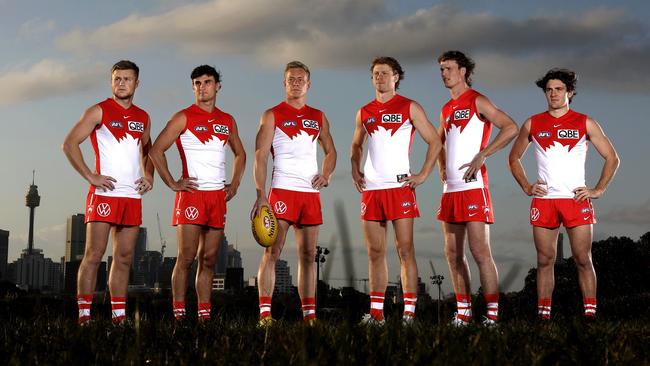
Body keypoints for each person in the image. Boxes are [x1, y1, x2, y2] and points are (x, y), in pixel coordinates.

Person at [508, 68, 619, 320]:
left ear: (569, 92)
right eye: (549, 90)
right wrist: (526, 186)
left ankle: (590, 314)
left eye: (558, 89)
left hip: (575, 199)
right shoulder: (533, 123)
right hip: (545, 200)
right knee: (545, 260)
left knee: (582, 258)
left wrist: (598, 189)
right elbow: (513, 158)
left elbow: (612, 157)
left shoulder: (585, 122)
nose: (553, 94)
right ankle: (543, 315)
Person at [149, 65, 246, 321]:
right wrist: (171, 182)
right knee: (186, 258)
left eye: (207, 82)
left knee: (210, 260)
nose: (202, 87)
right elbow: (156, 150)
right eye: (197, 83)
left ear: (217, 86)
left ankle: (205, 317)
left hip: (217, 197)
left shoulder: (227, 120)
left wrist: (234, 184)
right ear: (193, 87)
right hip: (191, 195)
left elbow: (241, 153)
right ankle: (179, 315)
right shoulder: (183, 117)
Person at [350, 56, 442, 325]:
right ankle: (376, 314)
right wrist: (355, 168)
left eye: (385, 73)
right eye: (376, 73)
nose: (380, 78)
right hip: (373, 189)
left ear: (396, 77)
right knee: (375, 252)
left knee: (405, 250)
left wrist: (424, 173)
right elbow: (356, 145)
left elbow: (435, 140)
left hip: (400, 187)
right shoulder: (364, 111)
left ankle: (409, 314)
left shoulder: (409, 107)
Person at [63, 60, 153, 325]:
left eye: (127, 79)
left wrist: (149, 175)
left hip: (132, 196)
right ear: (111, 81)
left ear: (137, 83)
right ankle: (84, 317)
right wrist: (90, 175)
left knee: (124, 258)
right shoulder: (98, 111)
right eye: (117, 78)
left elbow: (149, 152)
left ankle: (118, 317)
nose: (122, 83)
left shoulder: (143, 117)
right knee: (93, 255)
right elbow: (69, 144)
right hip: (104, 194)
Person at [436, 50, 518, 326]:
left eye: (449, 68)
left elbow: (510, 127)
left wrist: (484, 154)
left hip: (473, 187)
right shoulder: (445, 109)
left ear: (463, 71)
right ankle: (463, 314)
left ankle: (492, 317)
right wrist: (441, 169)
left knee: (480, 251)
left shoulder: (477, 100)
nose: (444, 74)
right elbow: (441, 143)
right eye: (442, 69)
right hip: (451, 189)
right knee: (452, 254)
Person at [251, 61, 336, 325]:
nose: (296, 82)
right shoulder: (271, 115)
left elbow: (331, 151)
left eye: (301, 79)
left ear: (308, 84)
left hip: (310, 193)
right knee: (271, 253)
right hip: (282, 191)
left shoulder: (318, 116)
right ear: (284, 83)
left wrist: (327, 174)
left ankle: (309, 316)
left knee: (309, 256)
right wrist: (261, 194)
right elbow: (260, 157)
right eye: (291, 79)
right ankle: (265, 314)